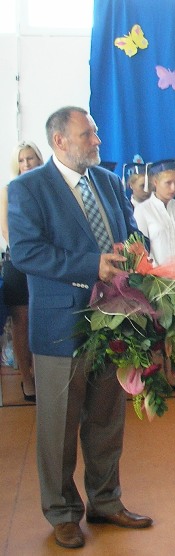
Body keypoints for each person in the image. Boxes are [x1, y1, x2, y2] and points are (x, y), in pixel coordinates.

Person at [8, 106, 151, 549]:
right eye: (88, 134)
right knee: (59, 427)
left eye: (95, 132)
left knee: (106, 420)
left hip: (114, 320)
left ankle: (106, 501)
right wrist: (92, 266)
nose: (97, 141)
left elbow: (131, 233)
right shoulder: (27, 188)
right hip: (61, 326)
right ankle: (62, 512)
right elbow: (27, 253)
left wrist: (138, 253)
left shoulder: (108, 181)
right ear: (60, 141)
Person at [2, 140, 44, 402]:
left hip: (45, 264)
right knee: (22, 322)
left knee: (42, 320)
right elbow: (6, 231)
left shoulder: (47, 188)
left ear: (39, 159)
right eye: (21, 160)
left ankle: (42, 375)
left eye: (30, 158)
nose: (26, 163)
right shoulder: (8, 190)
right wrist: (28, 256)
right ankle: (26, 379)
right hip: (18, 263)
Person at [134, 159, 175, 277]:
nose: (173, 188)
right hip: (156, 279)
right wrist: (158, 276)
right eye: (168, 183)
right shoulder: (142, 210)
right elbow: (142, 250)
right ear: (155, 182)